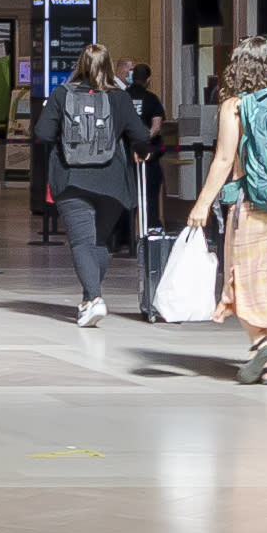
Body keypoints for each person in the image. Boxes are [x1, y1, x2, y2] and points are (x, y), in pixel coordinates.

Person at [182, 36, 267, 383]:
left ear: (238, 67)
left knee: (240, 281)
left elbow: (225, 159)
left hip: (252, 206)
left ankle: (260, 345)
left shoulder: (235, 106)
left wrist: (202, 203)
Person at [38, 39, 155, 327]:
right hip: (112, 184)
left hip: (72, 180)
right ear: (110, 67)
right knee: (99, 241)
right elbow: (140, 135)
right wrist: (141, 152)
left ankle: (94, 297)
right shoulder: (120, 98)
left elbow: (42, 132)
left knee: (81, 242)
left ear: (80, 64)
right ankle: (89, 300)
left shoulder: (61, 94)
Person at [125, 60, 171, 236]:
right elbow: (157, 125)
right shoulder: (152, 99)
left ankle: (124, 235)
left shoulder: (122, 97)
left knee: (127, 194)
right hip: (149, 154)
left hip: (126, 153)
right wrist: (145, 139)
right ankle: (152, 229)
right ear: (148, 79)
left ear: (132, 78)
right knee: (150, 193)